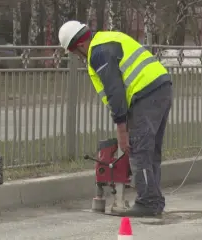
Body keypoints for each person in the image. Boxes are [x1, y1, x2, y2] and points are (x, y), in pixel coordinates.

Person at [58, 20, 172, 217]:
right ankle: (154, 200)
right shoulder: (107, 38)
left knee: (140, 151)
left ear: (79, 46)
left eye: (75, 53)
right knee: (151, 151)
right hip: (161, 88)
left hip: (145, 94)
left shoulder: (98, 53)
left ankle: (148, 202)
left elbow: (115, 91)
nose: (78, 57)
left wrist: (121, 130)